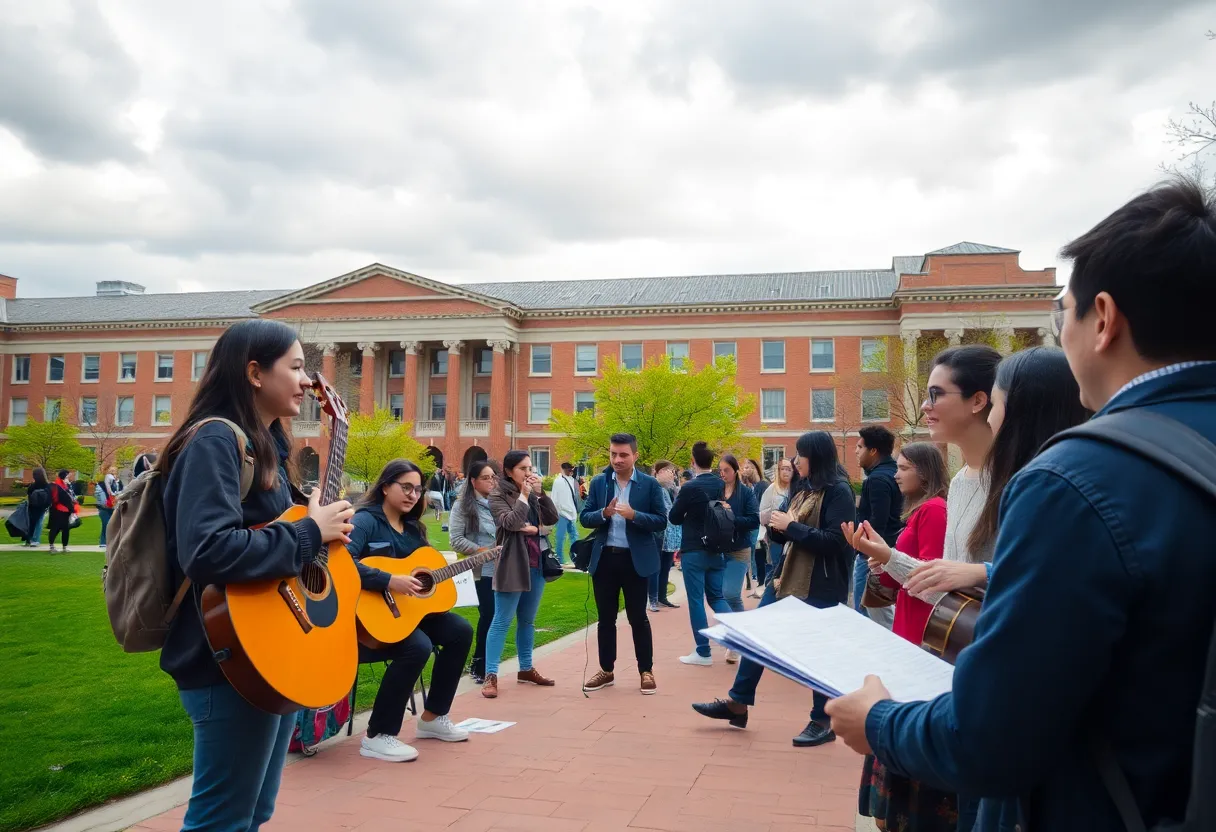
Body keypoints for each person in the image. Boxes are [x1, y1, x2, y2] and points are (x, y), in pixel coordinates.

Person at [828, 180, 1216, 831]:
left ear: (1104, 318)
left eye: (1062, 311)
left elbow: (992, 738)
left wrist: (878, 722)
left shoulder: (1075, 479)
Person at [157, 318, 354, 831]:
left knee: (252, 813)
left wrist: (321, 527)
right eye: (295, 367)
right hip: (226, 657)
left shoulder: (265, 447)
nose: (308, 382)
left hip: (274, 646)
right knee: (221, 818)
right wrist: (310, 532)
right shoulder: (215, 442)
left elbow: (281, 537)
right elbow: (208, 550)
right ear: (253, 373)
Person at [692, 431, 856, 747]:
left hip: (819, 584)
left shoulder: (839, 493)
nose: (795, 461)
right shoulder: (804, 488)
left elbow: (836, 543)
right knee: (757, 636)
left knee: (818, 652)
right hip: (785, 578)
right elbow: (788, 534)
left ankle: (822, 719)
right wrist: (777, 528)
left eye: (801, 455)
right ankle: (738, 703)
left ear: (817, 457)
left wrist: (790, 526)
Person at [845, 442, 954, 830]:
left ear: (924, 473)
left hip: (923, 632)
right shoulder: (920, 511)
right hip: (910, 628)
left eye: (904, 467)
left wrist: (887, 556)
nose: (896, 473)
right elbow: (898, 576)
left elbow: (930, 578)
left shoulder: (934, 511)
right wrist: (879, 557)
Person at [350, 459, 474, 762]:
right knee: (418, 645)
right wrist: (388, 580)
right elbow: (341, 564)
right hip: (366, 618)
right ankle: (378, 735)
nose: (413, 495)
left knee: (460, 631)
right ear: (385, 486)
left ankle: (432, 718)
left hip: (405, 613)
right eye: (406, 487)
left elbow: (423, 573)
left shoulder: (412, 528)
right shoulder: (365, 521)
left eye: (418, 489)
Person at [579, 434, 667, 695]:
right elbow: (585, 518)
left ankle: (646, 671)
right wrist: (603, 514)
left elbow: (661, 521)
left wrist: (635, 515)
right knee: (605, 619)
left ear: (635, 456)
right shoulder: (599, 482)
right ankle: (606, 670)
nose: (617, 460)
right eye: (613, 454)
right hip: (605, 558)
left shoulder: (649, 485)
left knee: (637, 618)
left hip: (635, 560)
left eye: (623, 455)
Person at [483, 450, 559, 698]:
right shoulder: (497, 495)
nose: (529, 474)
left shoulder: (532, 493)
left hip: (536, 562)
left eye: (530, 469)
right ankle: (490, 675)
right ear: (508, 471)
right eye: (523, 469)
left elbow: (552, 519)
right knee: (502, 620)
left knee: (527, 620)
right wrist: (525, 496)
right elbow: (512, 523)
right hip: (512, 564)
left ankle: (526, 668)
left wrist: (540, 493)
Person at [669, 441, 733, 666]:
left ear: (693, 461)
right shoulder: (720, 483)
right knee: (717, 596)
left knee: (696, 600)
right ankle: (737, 635)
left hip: (694, 549)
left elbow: (674, 517)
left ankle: (703, 651)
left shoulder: (689, 488)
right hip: (716, 547)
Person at [449, 459, 499, 684]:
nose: (491, 481)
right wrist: (482, 551)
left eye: (493, 477)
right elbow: (456, 540)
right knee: (488, 615)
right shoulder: (463, 506)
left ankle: (486, 665)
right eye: (486, 478)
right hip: (481, 570)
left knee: (497, 617)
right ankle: (480, 664)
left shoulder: (498, 503)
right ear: (473, 481)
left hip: (503, 568)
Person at [852, 426, 902, 629]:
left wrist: (865, 552)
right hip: (891, 553)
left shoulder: (877, 479)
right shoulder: (895, 474)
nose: (856, 451)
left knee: (866, 616)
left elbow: (876, 524)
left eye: (859, 446)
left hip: (873, 557)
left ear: (873, 451)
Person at [717, 454, 760, 664]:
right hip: (717, 550)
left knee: (731, 593)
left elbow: (754, 520)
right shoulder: (716, 490)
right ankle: (735, 639)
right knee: (721, 596)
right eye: (720, 470)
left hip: (739, 550)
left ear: (735, 470)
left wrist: (731, 516)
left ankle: (739, 639)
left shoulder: (746, 494)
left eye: (726, 470)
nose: (723, 474)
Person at [649, 460, 682, 611]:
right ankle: (653, 599)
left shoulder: (670, 489)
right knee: (655, 567)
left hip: (669, 535)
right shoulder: (653, 487)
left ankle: (662, 596)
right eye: (670, 471)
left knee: (665, 567)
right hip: (657, 533)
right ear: (660, 472)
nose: (673, 475)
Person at [758, 457, 793, 576]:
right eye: (783, 468)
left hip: (793, 536)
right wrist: (774, 514)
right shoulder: (772, 489)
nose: (785, 472)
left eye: (789, 469)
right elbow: (761, 516)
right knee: (776, 569)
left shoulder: (797, 489)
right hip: (776, 537)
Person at [743, 458, 769, 597]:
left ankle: (762, 585)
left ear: (755, 468)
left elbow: (762, 507)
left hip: (761, 528)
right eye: (744, 468)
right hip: (753, 527)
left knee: (760, 557)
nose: (745, 470)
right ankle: (758, 584)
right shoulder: (750, 487)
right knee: (755, 557)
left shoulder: (762, 486)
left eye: (748, 467)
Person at [550, 461, 581, 564]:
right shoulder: (558, 481)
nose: (571, 471)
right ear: (564, 469)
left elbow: (575, 498)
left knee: (573, 537)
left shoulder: (573, 481)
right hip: (562, 514)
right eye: (570, 469)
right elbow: (554, 499)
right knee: (561, 537)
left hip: (571, 513)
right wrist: (556, 513)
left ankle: (575, 557)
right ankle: (560, 558)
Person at [48, 469, 79, 553]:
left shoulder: (65, 486)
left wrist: (69, 486)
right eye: (67, 476)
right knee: (56, 528)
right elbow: (65, 499)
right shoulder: (58, 486)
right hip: (59, 510)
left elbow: (71, 497)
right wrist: (72, 509)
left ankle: (63, 547)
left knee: (65, 529)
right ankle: (53, 546)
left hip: (64, 511)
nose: (68, 478)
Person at [22, 467, 52, 548]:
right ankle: (35, 540)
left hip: (32, 507)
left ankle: (28, 539)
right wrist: (47, 506)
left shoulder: (32, 486)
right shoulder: (47, 485)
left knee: (31, 522)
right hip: (42, 507)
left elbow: (29, 495)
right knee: (38, 523)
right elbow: (50, 497)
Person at [97, 465, 121, 548]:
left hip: (115, 506)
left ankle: (113, 542)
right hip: (105, 507)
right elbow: (100, 495)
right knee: (106, 524)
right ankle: (103, 542)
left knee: (114, 525)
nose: (113, 471)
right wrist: (106, 503)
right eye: (112, 470)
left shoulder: (118, 482)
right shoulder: (102, 484)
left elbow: (121, 491)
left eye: (115, 470)